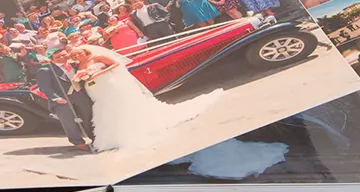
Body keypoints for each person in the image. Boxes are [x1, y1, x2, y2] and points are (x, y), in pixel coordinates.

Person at [69, 45, 223, 153]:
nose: (77, 56)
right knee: (104, 108)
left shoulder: (97, 57)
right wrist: (81, 77)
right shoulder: (79, 66)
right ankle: (111, 135)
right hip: (94, 90)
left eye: (79, 53)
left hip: (108, 84)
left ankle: (130, 129)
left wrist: (98, 73)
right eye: (74, 55)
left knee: (119, 105)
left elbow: (116, 64)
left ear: (85, 51)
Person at [35, 48, 93, 151]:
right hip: (62, 98)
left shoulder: (75, 65)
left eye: (63, 55)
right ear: (51, 59)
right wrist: (55, 98)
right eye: (57, 57)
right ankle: (77, 142)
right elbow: (45, 87)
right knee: (68, 121)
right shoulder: (46, 70)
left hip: (79, 95)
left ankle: (93, 138)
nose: (61, 58)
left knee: (88, 116)